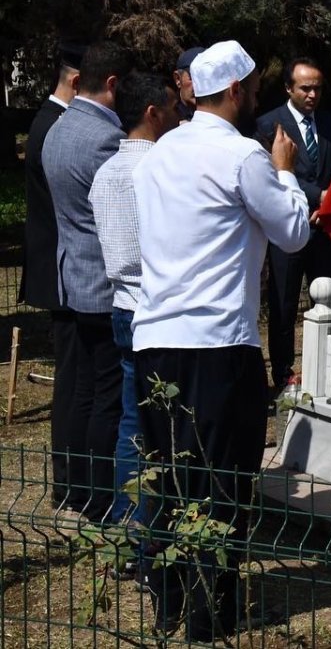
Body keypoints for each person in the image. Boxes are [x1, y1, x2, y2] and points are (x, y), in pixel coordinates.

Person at [133, 40, 310, 641]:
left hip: (155, 334)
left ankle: (167, 599)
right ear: (235, 91)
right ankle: (211, 615)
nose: (256, 97)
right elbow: (291, 234)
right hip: (218, 341)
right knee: (224, 480)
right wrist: (285, 171)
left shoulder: (158, 153)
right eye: (255, 88)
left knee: (168, 472)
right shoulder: (243, 156)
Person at [89, 71, 182, 535]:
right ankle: (158, 519)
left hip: (121, 303)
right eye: (171, 106)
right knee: (166, 419)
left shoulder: (106, 171)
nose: (177, 114)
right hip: (157, 305)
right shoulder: (158, 169)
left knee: (132, 417)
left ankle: (131, 521)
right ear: (152, 113)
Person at [42, 40, 131, 518]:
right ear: (112, 84)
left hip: (72, 272)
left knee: (80, 392)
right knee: (105, 396)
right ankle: (99, 497)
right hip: (100, 280)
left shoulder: (60, 127)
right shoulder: (103, 139)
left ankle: (74, 488)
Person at [20, 43, 80, 507]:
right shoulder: (54, 126)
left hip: (60, 264)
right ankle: (68, 480)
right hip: (62, 266)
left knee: (73, 376)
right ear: (77, 81)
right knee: (72, 377)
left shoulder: (48, 122)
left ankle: (71, 478)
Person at [256, 57, 331, 385]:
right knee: (284, 301)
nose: (312, 94)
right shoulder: (268, 125)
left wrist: (328, 204)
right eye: (305, 88)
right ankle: (283, 370)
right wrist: (315, 197)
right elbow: (273, 173)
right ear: (288, 88)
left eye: (317, 88)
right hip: (287, 225)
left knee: (329, 296)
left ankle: (328, 364)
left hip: (324, 227)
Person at [173, 46, 204, 121]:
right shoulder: (170, 117)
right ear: (178, 79)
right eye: (194, 76)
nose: (200, 84)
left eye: (205, 77)